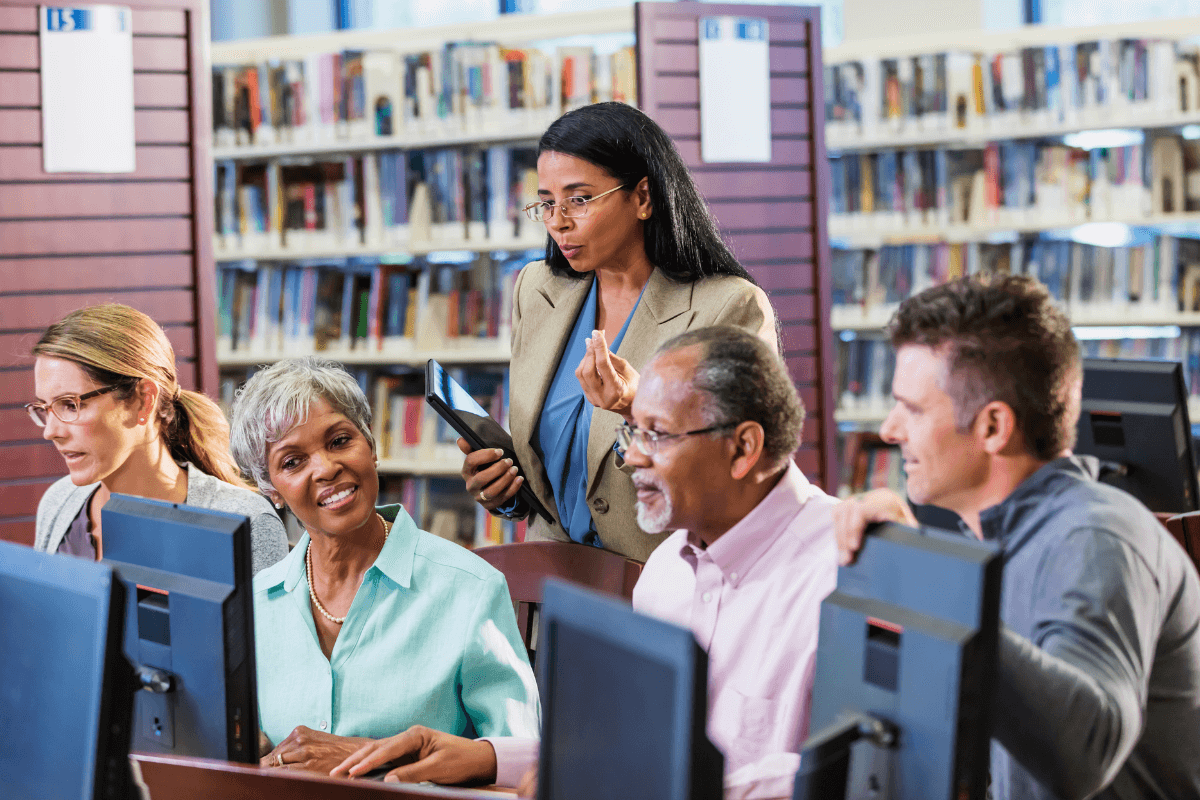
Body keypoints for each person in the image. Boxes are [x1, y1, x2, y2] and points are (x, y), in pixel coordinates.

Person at [337, 327, 835, 797]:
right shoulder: (666, 574)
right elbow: (631, 748)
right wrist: (483, 756)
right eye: (631, 433)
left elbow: (859, 773)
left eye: (655, 435)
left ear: (743, 447)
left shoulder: (846, 575)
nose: (633, 458)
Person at [834, 274, 1200, 800]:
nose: (890, 430)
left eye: (911, 409)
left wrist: (929, 577)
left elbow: (1084, 750)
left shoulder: (1095, 537)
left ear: (992, 428)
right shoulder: (996, 543)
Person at [460, 101, 777, 564]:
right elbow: (552, 471)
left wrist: (636, 409)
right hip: (551, 584)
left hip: (665, 588)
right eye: (547, 203)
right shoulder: (537, 290)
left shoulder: (727, 307)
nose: (558, 222)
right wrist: (506, 490)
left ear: (643, 197)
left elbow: (735, 476)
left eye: (580, 199)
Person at [228, 357, 539, 780]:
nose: (325, 468)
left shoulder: (470, 589)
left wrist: (370, 759)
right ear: (270, 490)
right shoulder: (253, 604)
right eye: (293, 462)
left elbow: (522, 767)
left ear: (371, 445)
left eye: (339, 441)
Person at [30, 303, 287, 574]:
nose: (51, 431)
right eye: (44, 408)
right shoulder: (59, 501)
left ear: (144, 400)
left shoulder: (246, 523)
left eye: (70, 405)